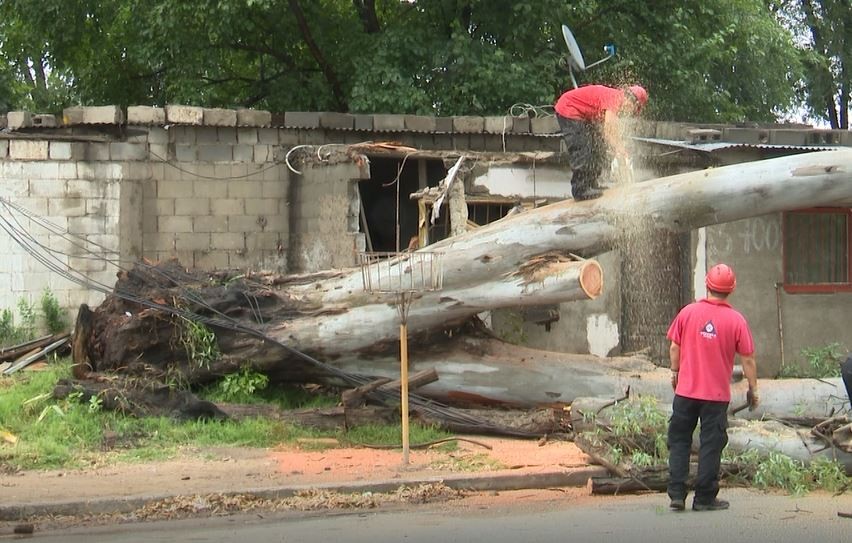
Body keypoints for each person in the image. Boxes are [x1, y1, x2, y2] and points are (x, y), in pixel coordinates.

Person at [666, 263, 759, 512]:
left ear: (707, 284)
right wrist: (753, 389)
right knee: (711, 444)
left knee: (679, 440)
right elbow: (748, 359)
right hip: (715, 397)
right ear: (732, 289)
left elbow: (675, 346)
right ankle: (704, 499)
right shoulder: (736, 320)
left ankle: (676, 494)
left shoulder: (687, 313)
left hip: (685, 392)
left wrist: (675, 373)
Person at [554, 84, 648, 201]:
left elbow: (609, 131)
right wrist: (619, 149)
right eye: (633, 109)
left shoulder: (615, 99)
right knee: (582, 148)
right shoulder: (616, 99)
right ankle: (581, 189)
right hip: (569, 108)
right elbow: (609, 131)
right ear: (633, 102)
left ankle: (591, 183)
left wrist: (619, 146)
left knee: (598, 147)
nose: (630, 112)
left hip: (582, 115)